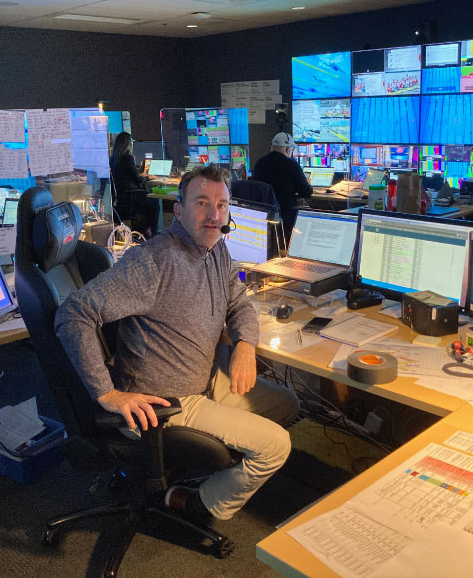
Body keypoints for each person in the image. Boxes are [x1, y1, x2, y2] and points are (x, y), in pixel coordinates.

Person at [55, 165, 299, 524]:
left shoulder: (215, 249)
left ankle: (204, 462)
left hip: (205, 380)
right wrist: (107, 394)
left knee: (287, 403)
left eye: (222, 205)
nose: (214, 215)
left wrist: (246, 343)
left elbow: (240, 303)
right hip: (165, 400)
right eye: (202, 203)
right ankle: (196, 502)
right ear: (179, 210)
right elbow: (72, 315)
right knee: (276, 446)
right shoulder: (152, 261)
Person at [251, 132, 312, 242]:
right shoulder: (291, 164)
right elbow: (306, 192)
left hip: (263, 216)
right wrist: (308, 184)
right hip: (286, 215)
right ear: (288, 149)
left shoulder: (260, 163)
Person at [108, 131, 160, 237]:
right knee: (155, 201)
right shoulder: (127, 158)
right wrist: (147, 177)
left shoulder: (113, 159)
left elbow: (128, 176)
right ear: (128, 144)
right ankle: (154, 233)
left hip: (121, 198)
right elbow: (137, 179)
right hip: (132, 198)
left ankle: (145, 231)